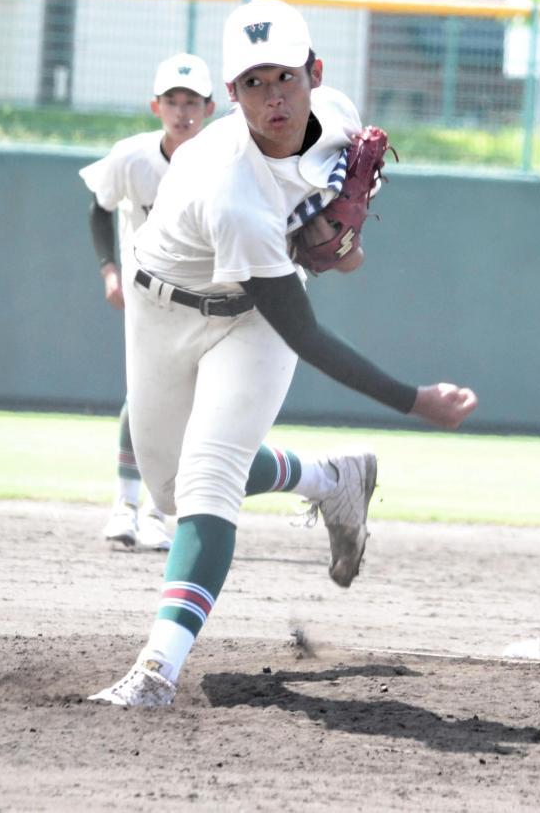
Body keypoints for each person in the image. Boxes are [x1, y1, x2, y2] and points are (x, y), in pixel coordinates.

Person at [88, 0, 477, 707]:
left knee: (210, 478)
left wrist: (346, 241)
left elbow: (342, 236)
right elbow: (307, 332)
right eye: (253, 83)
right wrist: (413, 400)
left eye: (286, 78)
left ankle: (155, 671)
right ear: (230, 95)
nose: (274, 97)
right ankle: (330, 479)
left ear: (315, 73)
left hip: (252, 321)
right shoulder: (228, 185)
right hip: (162, 306)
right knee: (172, 491)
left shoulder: (342, 118)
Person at [80, 53, 373, 552]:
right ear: (157, 106)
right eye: (172, 100)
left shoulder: (239, 161)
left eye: (192, 101)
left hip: (234, 305)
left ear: (213, 105)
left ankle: (156, 510)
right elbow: (99, 209)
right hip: (158, 297)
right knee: (150, 406)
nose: (182, 111)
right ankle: (129, 506)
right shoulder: (134, 158)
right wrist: (110, 271)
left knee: (203, 435)